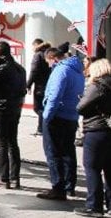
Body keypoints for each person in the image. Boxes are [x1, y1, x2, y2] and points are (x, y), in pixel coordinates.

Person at [74, 59, 111, 217]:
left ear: (97, 70)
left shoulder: (98, 85)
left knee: (92, 168)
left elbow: (81, 108)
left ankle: (94, 207)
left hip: (98, 130)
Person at [37, 43, 83, 200]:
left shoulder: (60, 70)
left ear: (53, 58)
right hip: (71, 115)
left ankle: (58, 187)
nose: (49, 65)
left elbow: (54, 96)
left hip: (57, 116)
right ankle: (70, 186)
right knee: (68, 151)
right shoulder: (77, 70)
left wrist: (46, 116)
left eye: (48, 62)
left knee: (53, 152)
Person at [0, 41, 26, 190]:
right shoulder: (20, 69)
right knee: (12, 143)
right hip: (15, 107)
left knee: (1, 143)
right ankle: (15, 178)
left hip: (1, 108)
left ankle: (4, 177)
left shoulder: (1, 68)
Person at [27, 38, 51, 135]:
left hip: (40, 86)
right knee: (44, 107)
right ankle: (44, 126)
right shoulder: (48, 53)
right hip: (48, 84)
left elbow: (34, 71)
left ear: (36, 45)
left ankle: (41, 128)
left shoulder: (38, 55)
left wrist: (28, 84)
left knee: (38, 107)